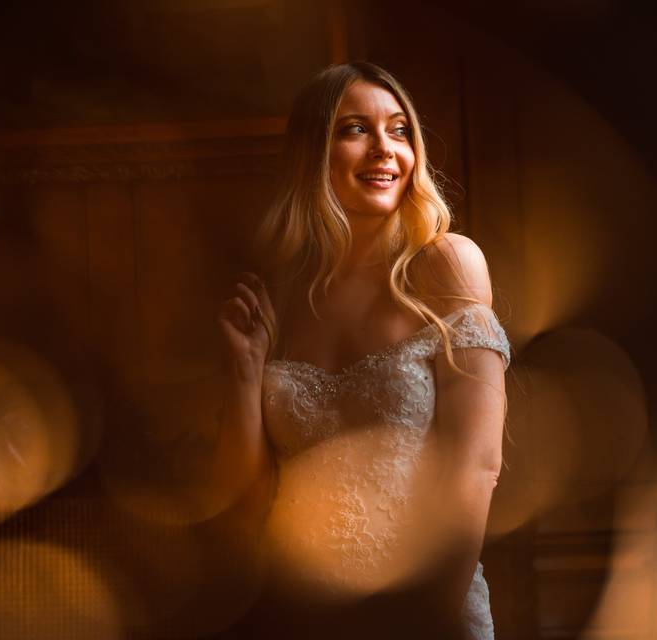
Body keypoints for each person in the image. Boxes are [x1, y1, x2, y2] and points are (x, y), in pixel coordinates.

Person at [215, 62, 509, 639]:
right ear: (311, 154)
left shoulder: (446, 264)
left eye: (399, 130)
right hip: (296, 614)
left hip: (426, 607)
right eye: (355, 130)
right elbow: (246, 497)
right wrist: (245, 374)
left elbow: (476, 465)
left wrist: (429, 614)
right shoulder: (280, 288)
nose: (384, 149)